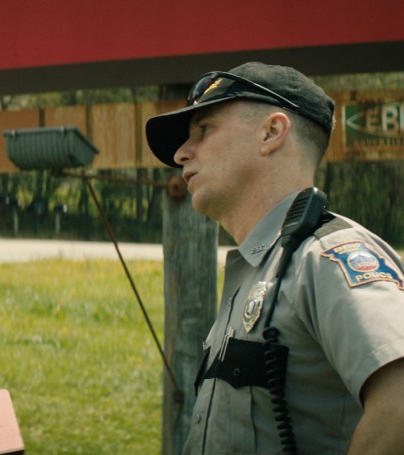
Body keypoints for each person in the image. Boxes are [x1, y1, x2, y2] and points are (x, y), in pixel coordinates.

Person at [145, 62, 404, 454]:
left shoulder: (326, 257)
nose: (182, 153)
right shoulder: (259, 270)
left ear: (271, 133)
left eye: (205, 129)